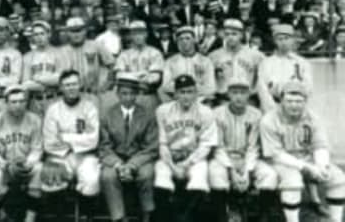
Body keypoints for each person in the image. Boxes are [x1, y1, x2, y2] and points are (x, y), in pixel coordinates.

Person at [260, 81, 345, 222]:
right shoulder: (269, 120)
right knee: (292, 182)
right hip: (281, 162)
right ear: (281, 101)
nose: (294, 105)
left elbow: (320, 144)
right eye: (289, 101)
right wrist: (306, 167)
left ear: (305, 101)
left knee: (337, 178)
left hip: (307, 158)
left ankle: (335, 219)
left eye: (299, 101)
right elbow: (275, 154)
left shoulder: (312, 118)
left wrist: (321, 166)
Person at [209, 75, 278, 222]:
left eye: (242, 92)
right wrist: (231, 170)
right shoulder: (217, 114)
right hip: (224, 158)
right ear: (228, 94)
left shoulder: (256, 114)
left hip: (247, 159)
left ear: (248, 94)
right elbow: (218, 147)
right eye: (234, 92)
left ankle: (262, 215)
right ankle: (222, 216)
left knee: (269, 175)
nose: (238, 97)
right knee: (215, 174)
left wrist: (247, 170)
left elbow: (254, 147)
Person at [154, 74, 218, 222]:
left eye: (190, 92)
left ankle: (188, 219)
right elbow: (162, 143)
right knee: (161, 177)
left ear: (196, 93)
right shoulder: (162, 111)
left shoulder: (206, 112)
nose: (186, 96)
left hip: (194, 157)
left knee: (199, 177)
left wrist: (188, 163)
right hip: (170, 157)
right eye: (182, 92)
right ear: (175, 94)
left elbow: (206, 145)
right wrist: (172, 165)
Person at [41, 70, 101, 222]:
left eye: (74, 84)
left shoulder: (90, 107)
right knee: (54, 177)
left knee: (91, 179)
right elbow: (49, 142)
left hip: (86, 155)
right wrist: (79, 140)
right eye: (67, 85)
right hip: (59, 156)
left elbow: (93, 139)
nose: (71, 88)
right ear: (61, 88)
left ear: (80, 85)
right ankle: (60, 218)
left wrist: (65, 137)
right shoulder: (53, 109)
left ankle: (87, 217)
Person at [99, 73, 158, 222]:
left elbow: (151, 147)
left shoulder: (146, 115)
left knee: (146, 174)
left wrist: (132, 165)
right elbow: (104, 146)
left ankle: (147, 214)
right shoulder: (108, 115)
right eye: (124, 93)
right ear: (117, 94)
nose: (128, 98)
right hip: (115, 158)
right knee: (108, 176)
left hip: (139, 158)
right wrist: (118, 165)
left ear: (137, 94)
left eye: (132, 93)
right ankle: (119, 217)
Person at [0, 85, 43, 222]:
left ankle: (30, 218)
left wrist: (29, 163)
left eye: (21, 101)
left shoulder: (35, 120)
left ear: (26, 102)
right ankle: (2, 217)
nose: (18, 105)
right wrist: (6, 165)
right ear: (6, 103)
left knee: (39, 169)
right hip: (5, 165)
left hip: (26, 165)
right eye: (13, 102)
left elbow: (37, 148)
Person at [60, 17, 115, 109]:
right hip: (70, 95)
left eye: (79, 30)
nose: (76, 34)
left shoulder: (96, 45)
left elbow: (112, 65)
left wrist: (107, 84)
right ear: (67, 33)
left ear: (85, 31)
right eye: (72, 31)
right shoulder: (62, 51)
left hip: (91, 93)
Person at [257, 24, 313, 112]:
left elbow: (308, 87)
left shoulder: (302, 63)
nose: (283, 42)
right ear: (275, 41)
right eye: (280, 39)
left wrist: (297, 106)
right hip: (274, 105)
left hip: (295, 106)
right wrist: (272, 110)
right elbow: (263, 89)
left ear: (292, 40)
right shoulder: (266, 63)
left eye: (287, 38)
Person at [209, 19, 264, 107]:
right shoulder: (214, 56)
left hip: (249, 101)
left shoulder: (256, 56)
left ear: (241, 35)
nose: (230, 37)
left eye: (234, 34)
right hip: (223, 101)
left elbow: (262, 82)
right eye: (227, 34)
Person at [115, 20, 164, 111]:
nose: (138, 36)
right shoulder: (124, 54)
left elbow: (155, 77)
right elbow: (119, 75)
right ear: (131, 36)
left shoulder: (155, 52)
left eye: (141, 33)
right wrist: (143, 73)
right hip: (129, 98)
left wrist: (130, 75)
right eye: (134, 33)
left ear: (146, 34)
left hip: (148, 96)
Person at [159, 26, 215, 104]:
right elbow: (165, 86)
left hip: (200, 102)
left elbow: (211, 88)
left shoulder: (206, 61)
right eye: (181, 39)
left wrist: (183, 88)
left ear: (194, 40)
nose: (184, 41)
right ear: (177, 42)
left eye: (187, 38)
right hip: (177, 102)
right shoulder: (170, 62)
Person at [22, 20, 63, 117]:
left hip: (54, 99)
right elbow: (26, 83)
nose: (39, 37)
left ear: (48, 34)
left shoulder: (59, 53)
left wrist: (37, 78)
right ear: (32, 37)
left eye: (42, 33)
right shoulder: (27, 57)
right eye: (36, 34)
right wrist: (48, 81)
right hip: (35, 101)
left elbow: (60, 79)